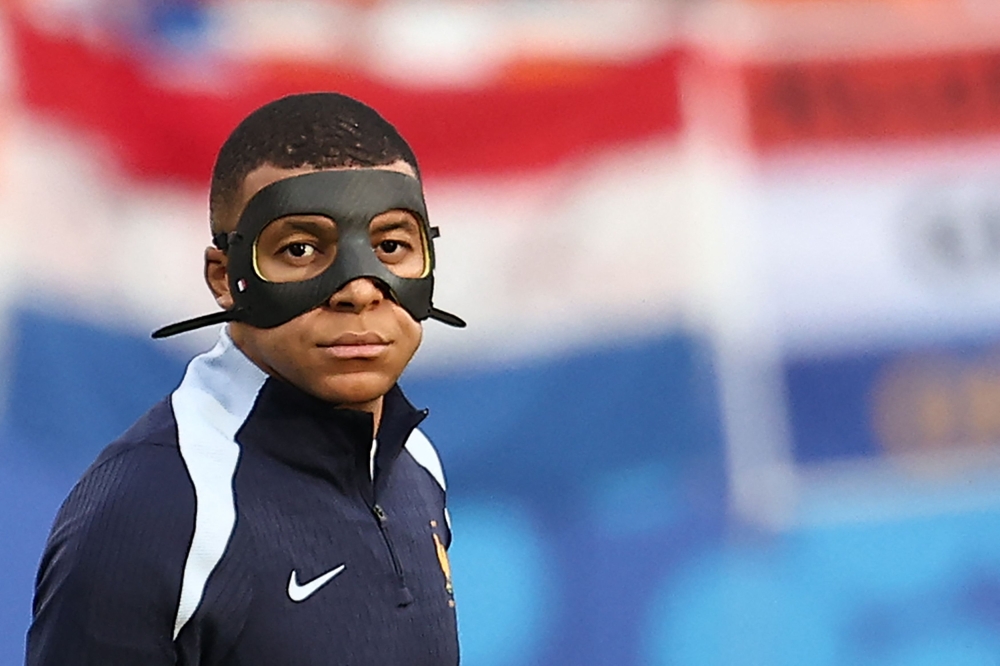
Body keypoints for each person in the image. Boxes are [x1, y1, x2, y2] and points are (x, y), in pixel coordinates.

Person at [26, 92, 464, 665]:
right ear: (224, 277)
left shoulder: (413, 461)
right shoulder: (158, 508)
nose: (360, 289)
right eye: (301, 248)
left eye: (390, 246)